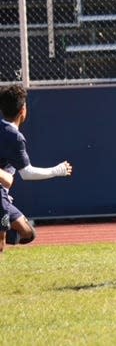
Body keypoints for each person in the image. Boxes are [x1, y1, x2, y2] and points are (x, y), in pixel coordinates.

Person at [0, 85, 73, 253]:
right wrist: (57, 170)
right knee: (1, 243)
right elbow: (27, 173)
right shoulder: (14, 137)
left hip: (3, 193)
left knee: (28, 233)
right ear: (22, 110)